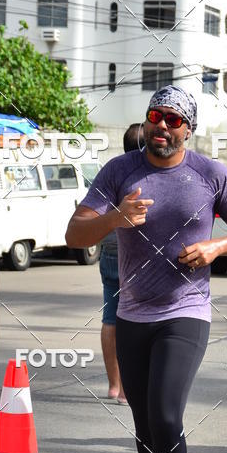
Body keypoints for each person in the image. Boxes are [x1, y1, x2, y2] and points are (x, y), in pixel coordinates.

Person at [65, 85, 227, 453]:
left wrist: (217, 249)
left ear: (187, 129)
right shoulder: (119, 171)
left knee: (165, 413)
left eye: (174, 120)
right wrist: (116, 217)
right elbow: (75, 233)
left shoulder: (210, 174)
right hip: (133, 314)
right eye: (156, 116)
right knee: (144, 425)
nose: (162, 126)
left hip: (186, 310)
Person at [99, 123, 143, 405]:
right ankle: (128, 390)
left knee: (110, 316)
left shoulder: (111, 171)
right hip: (135, 252)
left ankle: (114, 385)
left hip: (108, 248)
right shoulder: (146, 172)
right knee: (134, 320)